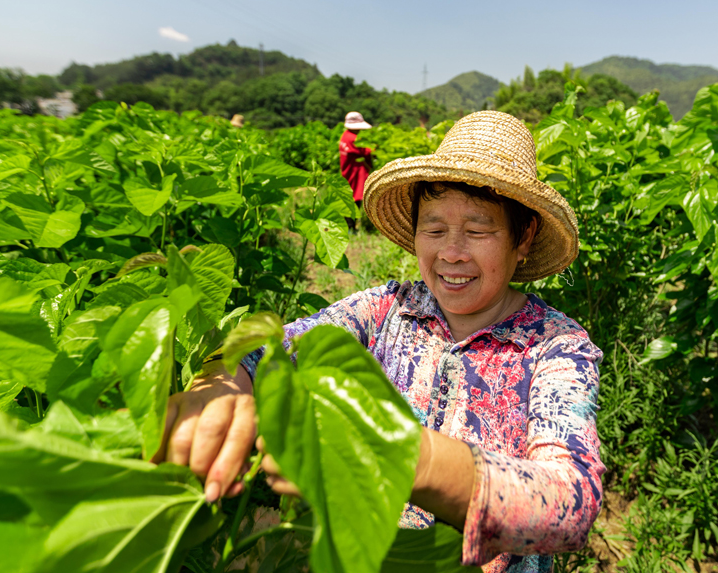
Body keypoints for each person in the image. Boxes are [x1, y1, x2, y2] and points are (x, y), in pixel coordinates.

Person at [153, 111, 604, 573]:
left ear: (523, 237)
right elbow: (268, 351)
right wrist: (217, 386)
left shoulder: (555, 346)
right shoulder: (388, 309)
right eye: (434, 230)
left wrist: (403, 454)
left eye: (477, 231)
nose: (451, 253)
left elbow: (571, 502)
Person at [338, 111, 373, 232]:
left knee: (350, 197)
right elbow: (366, 152)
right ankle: (350, 226)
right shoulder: (353, 139)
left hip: (348, 171)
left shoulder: (345, 136)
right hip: (355, 172)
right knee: (355, 197)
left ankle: (350, 225)